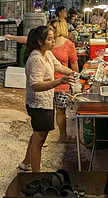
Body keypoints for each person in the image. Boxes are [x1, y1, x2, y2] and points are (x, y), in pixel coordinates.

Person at [19, 25, 75, 172]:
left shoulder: (48, 54)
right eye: (49, 39)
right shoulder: (36, 59)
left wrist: (76, 74)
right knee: (39, 140)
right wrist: (60, 82)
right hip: (38, 104)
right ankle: (36, 176)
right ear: (40, 41)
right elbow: (35, 85)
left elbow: (59, 67)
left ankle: (26, 162)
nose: (53, 42)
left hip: (45, 102)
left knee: (37, 133)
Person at [50, 21, 79, 140]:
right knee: (45, 111)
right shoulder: (48, 43)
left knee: (60, 110)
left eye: (53, 28)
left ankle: (62, 135)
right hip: (46, 82)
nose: (51, 30)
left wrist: (75, 80)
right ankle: (42, 138)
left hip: (62, 83)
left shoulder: (69, 44)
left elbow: (74, 63)